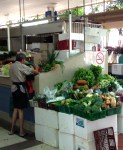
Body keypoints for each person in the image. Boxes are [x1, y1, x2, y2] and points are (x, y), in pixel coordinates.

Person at [9, 52, 39, 137]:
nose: (25, 61)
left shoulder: (12, 66)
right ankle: (22, 132)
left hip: (14, 89)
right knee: (20, 110)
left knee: (15, 109)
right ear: (22, 60)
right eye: (24, 59)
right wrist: (36, 67)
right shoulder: (21, 66)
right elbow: (36, 72)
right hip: (20, 90)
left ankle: (12, 129)